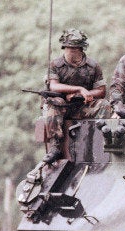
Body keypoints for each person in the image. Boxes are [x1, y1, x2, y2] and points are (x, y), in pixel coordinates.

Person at [43, 29, 113, 163]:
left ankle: (100, 141)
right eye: (68, 48)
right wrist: (79, 89)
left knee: (104, 105)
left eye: (74, 49)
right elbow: (54, 86)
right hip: (61, 107)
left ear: (81, 49)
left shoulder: (93, 66)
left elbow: (101, 90)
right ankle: (55, 146)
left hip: (83, 106)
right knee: (53, 103)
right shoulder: (56, 65)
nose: (70, 51)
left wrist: (83, 94)